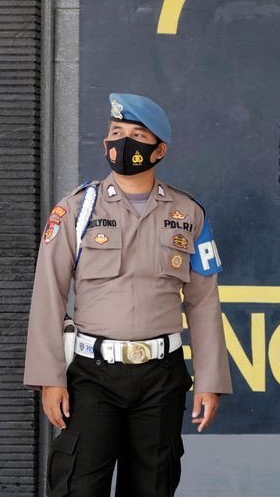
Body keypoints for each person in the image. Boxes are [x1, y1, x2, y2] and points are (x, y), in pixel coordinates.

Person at [23, 93, 232, 497]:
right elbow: (48, 293)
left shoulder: (188, 214)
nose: (124, 143)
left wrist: (209, 380)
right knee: (78, 485)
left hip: (161, 376)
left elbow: (203, 302)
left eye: (138, 135)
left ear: (160, 150)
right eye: (116, 133)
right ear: (105, 143)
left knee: (153, 485)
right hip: (91, 376)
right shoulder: (76, 209)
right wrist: (49, 379)